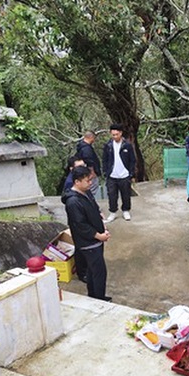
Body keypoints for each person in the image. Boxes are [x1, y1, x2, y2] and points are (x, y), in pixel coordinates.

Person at [62, 166, 111, 301]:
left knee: (92, 270)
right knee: (99, 272)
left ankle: (94, 296)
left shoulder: (85, 193)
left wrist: (102, 223)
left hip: (95, 240)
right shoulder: (73, 201)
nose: (90, 183)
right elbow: (81, 225)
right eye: (87, 180)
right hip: (88, 243)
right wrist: (98, 235)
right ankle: (99, 299)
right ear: (77, 182)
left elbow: (94, 208)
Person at [102, 123, 136, 223]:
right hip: (112, 175)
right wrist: (105, 171)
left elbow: (132, 160)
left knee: (126, 194)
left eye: (117, 134)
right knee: (112, 195)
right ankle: (113, 212)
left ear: (121, 133)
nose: (115, 136)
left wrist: (131, 173)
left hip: (124, 175)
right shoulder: (108, 146)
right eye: (113, 135)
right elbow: (104, 160)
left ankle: (126, 210)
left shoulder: (127, 145)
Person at [75, 131, 102, 197]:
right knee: (91, 189)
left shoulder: (82, 147)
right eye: (93, 138)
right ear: (91, 137)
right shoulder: (86, 149)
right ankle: (90, 204)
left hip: (86, 172)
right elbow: (89, 161)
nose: (94, 140)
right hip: (89, 172)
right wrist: (92, 172)